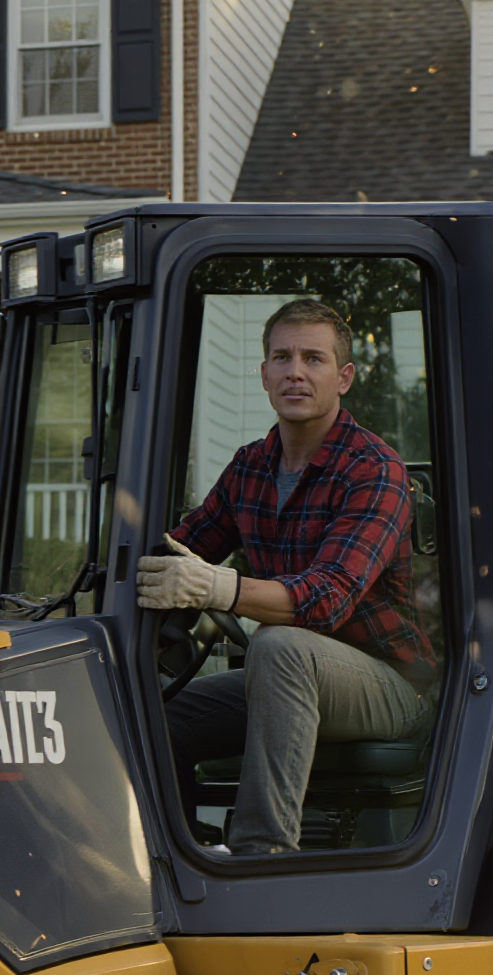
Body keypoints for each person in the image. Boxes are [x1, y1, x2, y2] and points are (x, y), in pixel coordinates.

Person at [136, 296, 435, 854]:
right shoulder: (251, 464)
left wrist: (219, 587)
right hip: (287, 681)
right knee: (155, 714)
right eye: (282, 357)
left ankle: (261, 855)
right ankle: (174, 854)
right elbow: (184, 548)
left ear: (343, 377)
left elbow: (326, 601)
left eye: (314, 359)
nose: (296, 371)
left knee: (280, 646)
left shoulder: (375, 469)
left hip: (392, 687)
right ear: (264, 372)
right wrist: (136, 584)